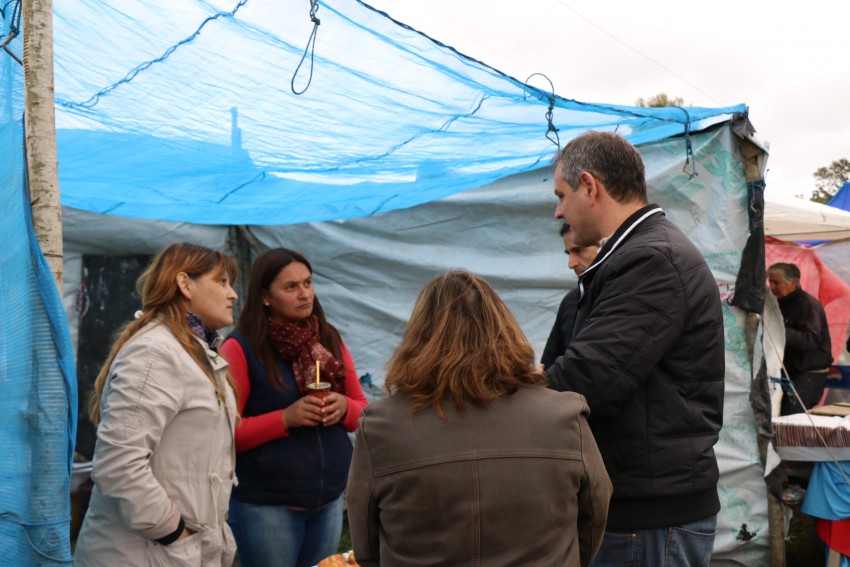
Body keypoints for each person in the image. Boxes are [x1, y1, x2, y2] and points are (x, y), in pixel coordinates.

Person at [347, 270, 612, 567]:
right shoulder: (564, 416)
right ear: (504, 329)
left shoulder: (382, 426)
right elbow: (592, 520)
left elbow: (366, 546)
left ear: (418, 337)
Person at [546, 131, 725, 567]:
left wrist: (508, 383)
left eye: (562, 195)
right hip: (639, 511)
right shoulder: (630, 256)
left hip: (649, 519)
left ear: (590, 187)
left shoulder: (652, 259)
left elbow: (588, 380)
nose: (559, 210)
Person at [74, 243, 239, 567]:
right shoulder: (155, 354)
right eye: (221, 281)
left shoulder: (192, 351)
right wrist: (172, 532)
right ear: (185, 284)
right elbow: (119, 464)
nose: (232, 294)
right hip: (142, 554)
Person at [220, 248, 368, 567]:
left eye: (308, 283)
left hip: (328, 499)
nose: (305, 294)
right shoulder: (241, 348)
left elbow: (362, 414)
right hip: (267, 504)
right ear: (265, 296)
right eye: (291, 287)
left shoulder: (327, 339)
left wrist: (342, 407)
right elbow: (226, 432)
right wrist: (286, 418)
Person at [767, 262, 832, 415]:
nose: (772, 287)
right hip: (786, 372)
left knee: (792, 419)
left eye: (776, 282)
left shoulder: (807, 305)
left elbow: (809, 340)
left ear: (794, 282)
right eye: (770, 282)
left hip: (808, 375)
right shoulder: (779, 304)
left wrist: (779, 330)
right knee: (778, 418)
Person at [541, 222, 600, 367]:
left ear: (604, 246)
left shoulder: (624, 293)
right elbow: (548, 365)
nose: (571, 264)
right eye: (569, 254)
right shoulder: (571, 301)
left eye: (579, 251)